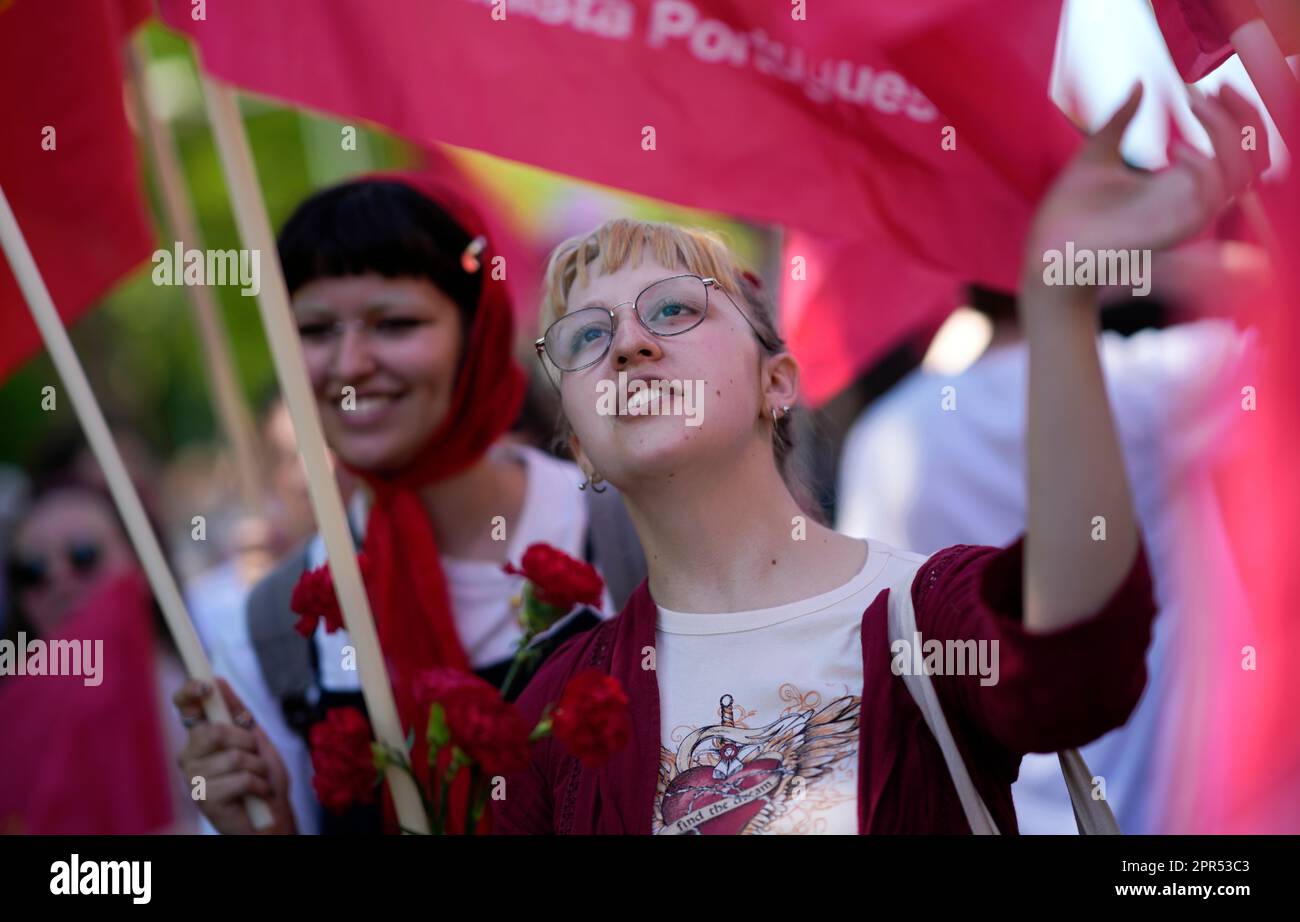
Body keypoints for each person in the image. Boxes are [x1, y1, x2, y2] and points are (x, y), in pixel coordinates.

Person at [493, 83, 1267, 834]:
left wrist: (1058, 300)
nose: (629, 344)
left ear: (777, 382)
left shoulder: (924, 616)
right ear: (576, 446)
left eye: (674, 307)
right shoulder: (555, 718)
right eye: (585, 336)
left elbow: (1072, 664)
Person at [172, 177, 645, 835]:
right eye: (313, 330)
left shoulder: (635, 534)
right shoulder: (271, 630)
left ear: (475, 332)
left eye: (395, 323)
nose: (350, 363)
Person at [837, 286, 1256, 833]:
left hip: (1000, 800)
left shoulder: (888, 433)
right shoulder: (1148, 381)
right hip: (1184, 807)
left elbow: (864, 633)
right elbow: (1275, 326)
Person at [4, 474, 201, 833]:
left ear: (143, 566)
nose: (60, 580)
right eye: (32, 570)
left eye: (83, 555)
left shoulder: (201, 691)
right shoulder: (11, 722)